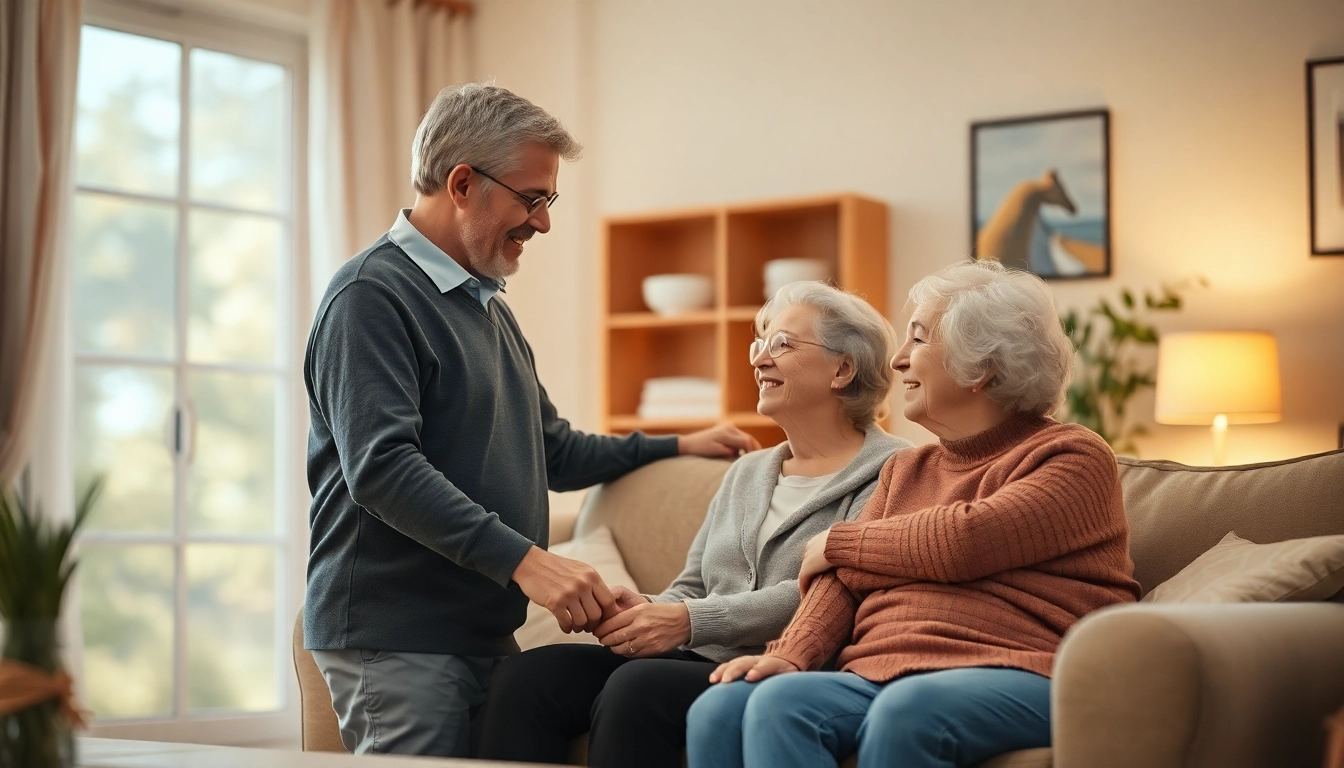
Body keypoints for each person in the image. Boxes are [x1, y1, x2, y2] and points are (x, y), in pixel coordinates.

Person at [303, 83, 757, 759]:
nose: (542, 222)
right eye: (532, 198)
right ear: (463, 182)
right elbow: (383, 470)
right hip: (399, 633)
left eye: (549, 202)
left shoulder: (486, 307)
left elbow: (554, 450)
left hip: (475, 631)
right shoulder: (371, 295)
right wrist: (529, 563)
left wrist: (677, 442)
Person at [686, 259, 1142, 768]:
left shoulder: (1072, 456)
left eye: (919, 340)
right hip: (881, 669)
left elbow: (969, 540)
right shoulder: (906, 469)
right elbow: (840, 583)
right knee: (726, 706)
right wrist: (790, 655)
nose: (899, 360)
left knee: (909, 709)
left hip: (1025, 669)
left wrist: (839, 542)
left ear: (983, 363)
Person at [474, 282, 912, 767]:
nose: (760, 360)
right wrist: (642, 610)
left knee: (638, 686)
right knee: (527, 677)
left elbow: (834, 592)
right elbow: (693, 585)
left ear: (843, 369)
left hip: (799, 664)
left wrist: (685, 622)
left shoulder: (894, 471)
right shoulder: (749, 471)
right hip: (702, 655)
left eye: (782, 344)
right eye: (759, 344)